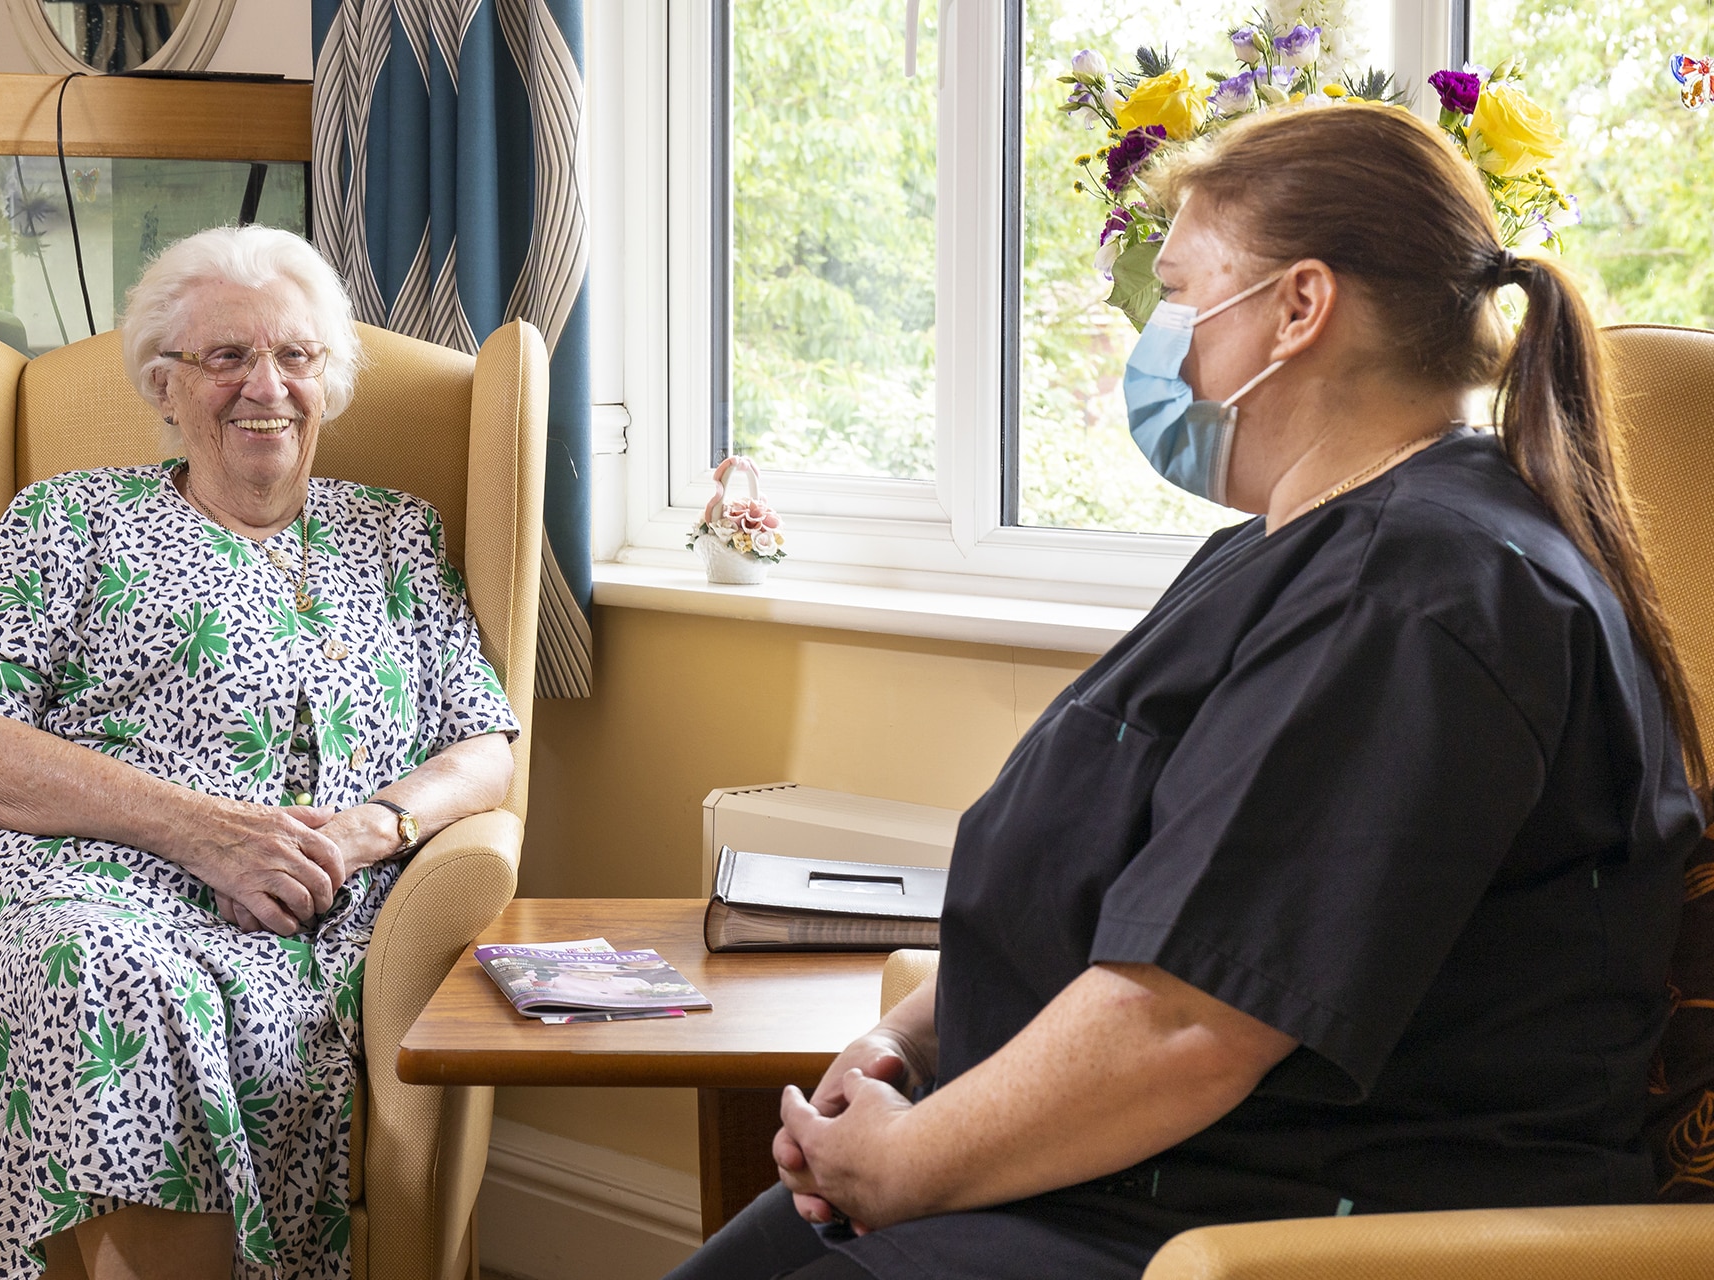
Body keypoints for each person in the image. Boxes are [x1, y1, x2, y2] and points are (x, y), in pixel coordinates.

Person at [666, 104, 1707, 1280]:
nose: (1154, 338)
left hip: (1261, 1219)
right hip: (1105, 1175)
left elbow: (1191, 1019)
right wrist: (898, 1042)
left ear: (1300, 306)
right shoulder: (1292, 552)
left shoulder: (1424, 594)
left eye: (1177, 289)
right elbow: (1113, 896)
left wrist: (908, 1164)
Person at [0, 225, 519, 1280]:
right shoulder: (66, 520)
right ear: (166, 386)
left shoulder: (397, 537)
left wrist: (368, 830)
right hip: (54, 900)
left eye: (295, 356)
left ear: (331, 380)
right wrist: (206, 832)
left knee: (157, 995)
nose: (265, 385)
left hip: (287, 924)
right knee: (107, 967)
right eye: (226, 358)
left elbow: (485, 745)